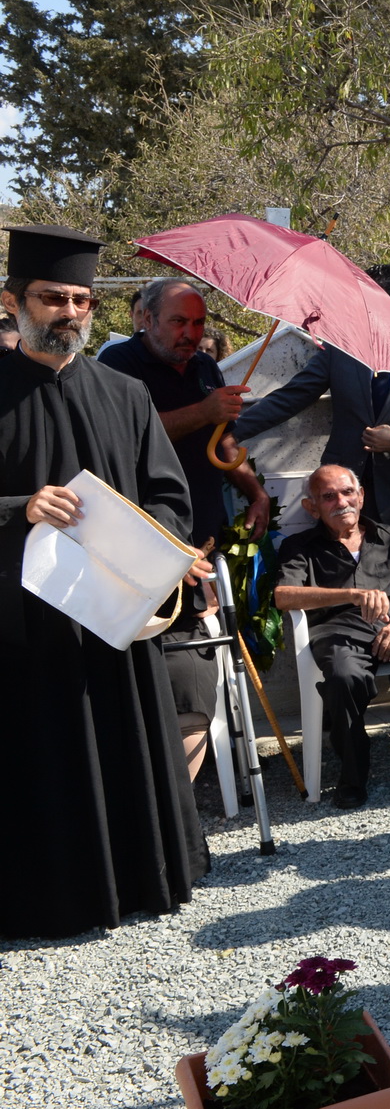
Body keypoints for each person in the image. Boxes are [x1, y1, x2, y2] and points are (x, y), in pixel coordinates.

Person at [0, 223, 210, 938]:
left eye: (82, 299)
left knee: (125, 745)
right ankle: (46, 903)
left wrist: (142, 536)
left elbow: (171, 498)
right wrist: (19, 508)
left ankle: (144, 880)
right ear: (13, 301)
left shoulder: (124, 395)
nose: (68, 311)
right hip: (23, 631)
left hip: (116, 623)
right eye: (52, 297)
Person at [98, 278, 271, 779]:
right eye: (178, 321)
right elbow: (129, 439)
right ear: (145, 319)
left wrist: (255, 490)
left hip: (200, 545)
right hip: (145, 549)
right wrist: (204, 411)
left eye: (197, 323)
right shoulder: (117, 367)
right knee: (155, 676)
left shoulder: (204, 368)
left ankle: (177, 799)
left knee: (191, 677)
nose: (190, 333)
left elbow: (221, 441)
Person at [275, 464, 390, 807]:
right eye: (328, 496)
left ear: (361, 497)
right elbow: (284, 595)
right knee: (343, 677)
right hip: (339, 628)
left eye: (348, 492)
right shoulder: (298, 546)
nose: (341, 502)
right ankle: (352, 775)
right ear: (312, 507)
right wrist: (350, 595)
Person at [233, 263, 390, 550]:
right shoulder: (339, 352)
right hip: (338, 498)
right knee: (337, 579)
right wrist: (231, 432)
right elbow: (291, 398)